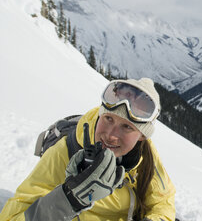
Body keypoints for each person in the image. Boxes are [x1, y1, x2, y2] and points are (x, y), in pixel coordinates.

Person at [0, 78, 176, 221]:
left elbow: (163, 202)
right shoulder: (66, 151)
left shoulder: (144, 156)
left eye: (127, 127)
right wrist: (69, 200)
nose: (111, 135)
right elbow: (11, 217)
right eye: (108, 119)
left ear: (142, 136)